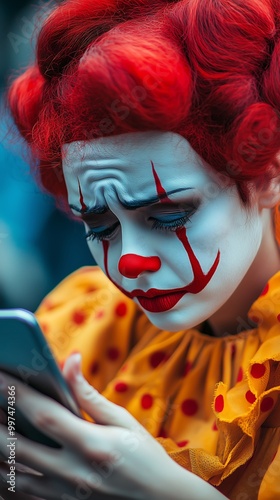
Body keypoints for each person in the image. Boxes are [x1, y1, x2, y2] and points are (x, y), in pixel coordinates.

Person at [0, 0, 280, 498]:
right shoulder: (84, 324)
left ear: (269, 173)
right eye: (100, 224)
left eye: (169, 215)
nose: (130, 261)